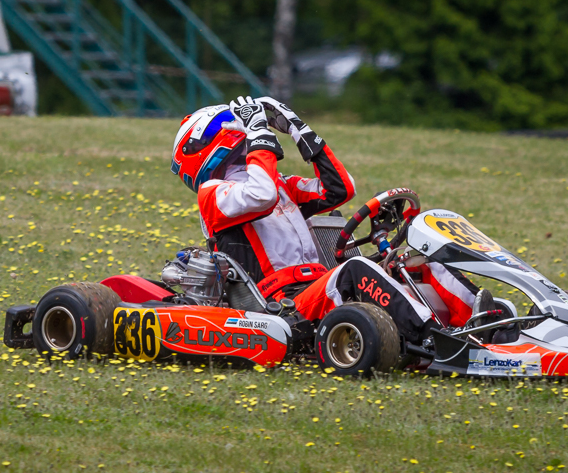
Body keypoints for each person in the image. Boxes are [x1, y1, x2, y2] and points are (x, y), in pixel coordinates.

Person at [171, 95, 490, 342]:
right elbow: (261, 195)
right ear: (202, 146)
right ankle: (437, 338)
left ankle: (491, 321)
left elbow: (339, 189)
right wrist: (258, 133)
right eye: (226, 124)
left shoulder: (279, 184)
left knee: (413, 261)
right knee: (355, 268)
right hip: (281, 309)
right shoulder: (213, 194)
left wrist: (298, 129)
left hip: (316, 288)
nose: (237, 126)